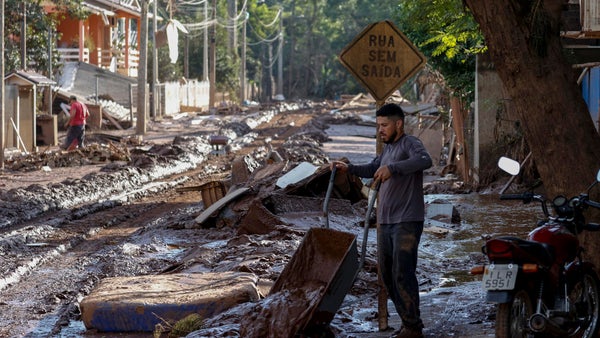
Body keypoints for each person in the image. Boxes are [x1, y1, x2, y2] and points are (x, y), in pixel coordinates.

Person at [331, 103, 432, 338]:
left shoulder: (410, 144)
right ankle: (409, 322)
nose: (380, 130)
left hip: (407, 220)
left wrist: (393, 169)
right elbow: (373, 168)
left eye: (384, 125)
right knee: (387, 276)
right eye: (378, 126)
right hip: (385, 221)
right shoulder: (387, 150)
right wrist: (349, 168)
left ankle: (413, 327)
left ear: (399, 124)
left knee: (402, 273)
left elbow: (425, 161)